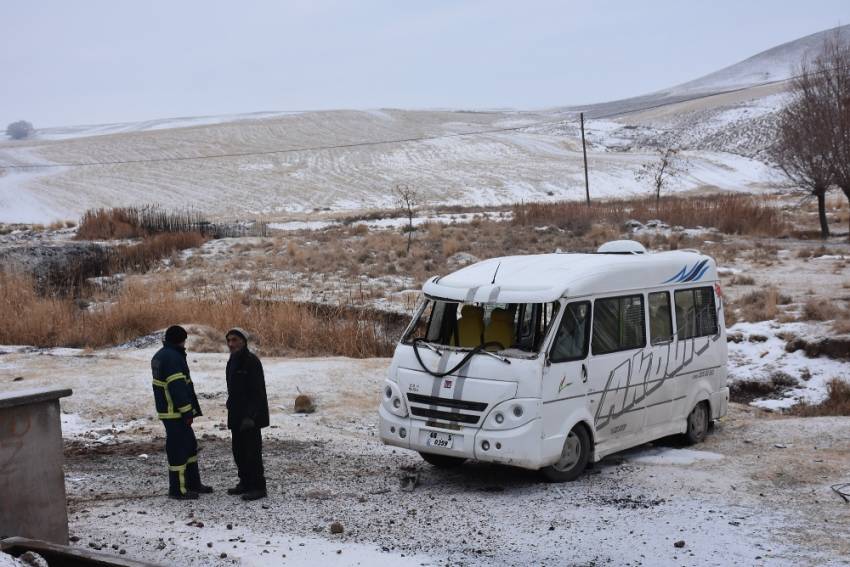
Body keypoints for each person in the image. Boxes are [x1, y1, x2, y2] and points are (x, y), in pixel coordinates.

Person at [150, 325, 212, 500]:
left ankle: (193, 483)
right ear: (181, 340)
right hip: (175, 412)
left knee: (190, 446)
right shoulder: (173, 358)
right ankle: (177, 490)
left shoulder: (161, 355)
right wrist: (187, 412)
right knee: (178, 450)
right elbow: (177, 387)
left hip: (169, 411)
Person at [225, 328, 269, 501]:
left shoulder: (251, 361)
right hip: (236, 414)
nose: (231, 344)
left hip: (251, 416)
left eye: (235, 340)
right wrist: (230, 403)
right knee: (238, 451)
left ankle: (258, 487)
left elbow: (257, 392)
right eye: (229, 340)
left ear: (243, 341)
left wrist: (251, 416)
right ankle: (244, 482)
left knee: (252, 452)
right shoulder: (232, 360)